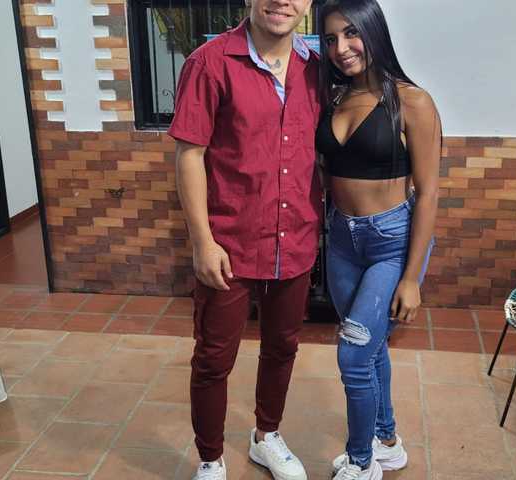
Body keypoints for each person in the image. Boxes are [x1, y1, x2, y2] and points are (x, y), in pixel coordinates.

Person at [167, 0, 322, 478]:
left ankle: (266, 436)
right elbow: (189, 155)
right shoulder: (209, 63)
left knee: (282, 347)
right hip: (229, 245)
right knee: (213, 359)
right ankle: (210, 459)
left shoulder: (317, 68)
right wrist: (202, 241)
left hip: (295, 239)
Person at [314, 0, 442, 478]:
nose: (341, 48)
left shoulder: (412, 101)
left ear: (374, 32)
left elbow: (428, 194)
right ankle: (387, 440)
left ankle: (361, 461)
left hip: (391, 242)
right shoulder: (335, 99)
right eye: (331, 39)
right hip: (342, 241)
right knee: (371, 350)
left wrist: (411, 279)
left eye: (351, 33)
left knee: (352, 355)